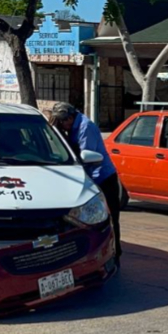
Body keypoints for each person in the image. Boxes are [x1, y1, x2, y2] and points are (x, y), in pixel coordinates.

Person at [48, 102, 124, 261]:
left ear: (69, 118)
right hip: (90, 176)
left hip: (102, 177)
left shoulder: (85, 127)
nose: (63, 126)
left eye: (62, 122)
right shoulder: (73, 126)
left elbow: (85, 157)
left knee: (108, 218)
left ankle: (115, 252)